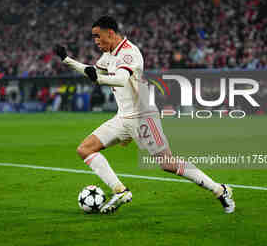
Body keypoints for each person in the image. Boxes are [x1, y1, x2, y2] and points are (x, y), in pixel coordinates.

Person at [54, 16, 235, 214]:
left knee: (167, 163)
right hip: (123, 117)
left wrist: (98, 78)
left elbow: (121, 79)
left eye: (98, 36)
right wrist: (67, 60)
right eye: (93, 37)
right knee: (85, 149)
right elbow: (92, 72)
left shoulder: (130, 53)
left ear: (110, 33)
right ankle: (120, 191)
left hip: (143, 117)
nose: (95, 41)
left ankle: (219, 189)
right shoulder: (108, 56)